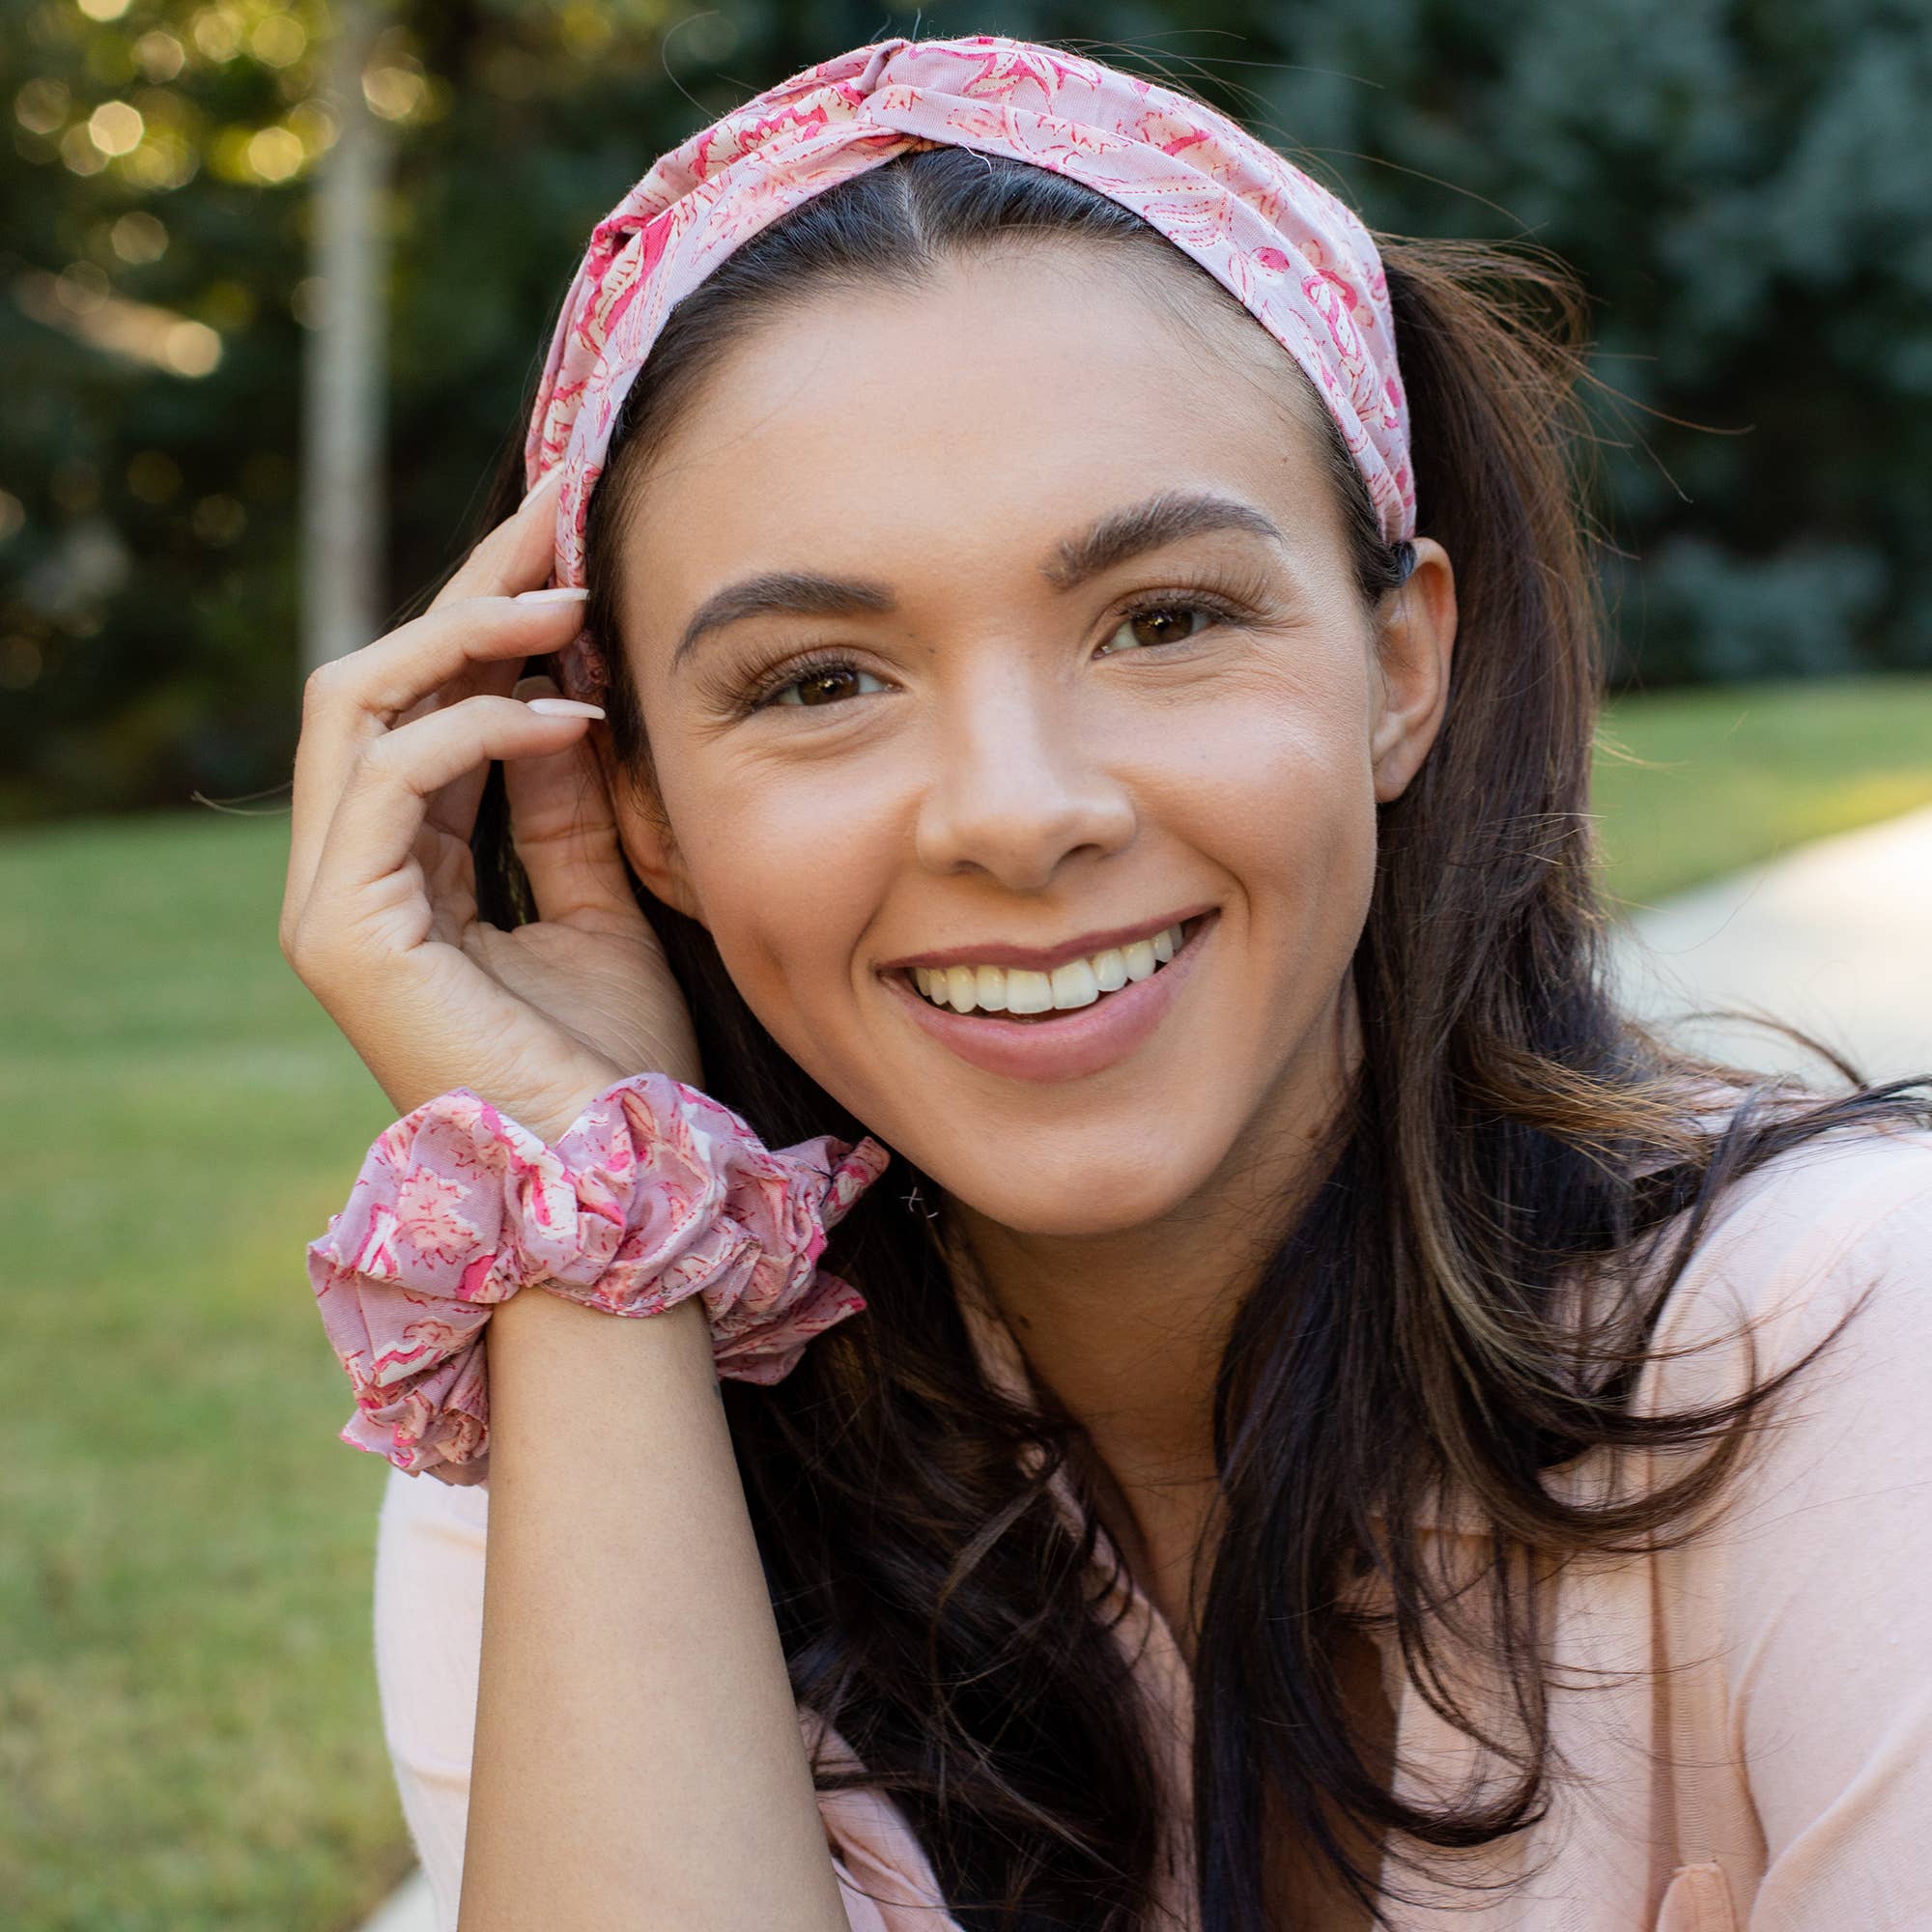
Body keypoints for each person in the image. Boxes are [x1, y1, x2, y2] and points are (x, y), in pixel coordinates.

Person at [282, 34, 1932, 1932]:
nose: (1018, 812)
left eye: (1163, 619)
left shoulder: (1854, 1352)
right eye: (821, 680)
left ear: (1402, 666)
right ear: (635, 799)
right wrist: (595, 1206)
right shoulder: (593, 1433)